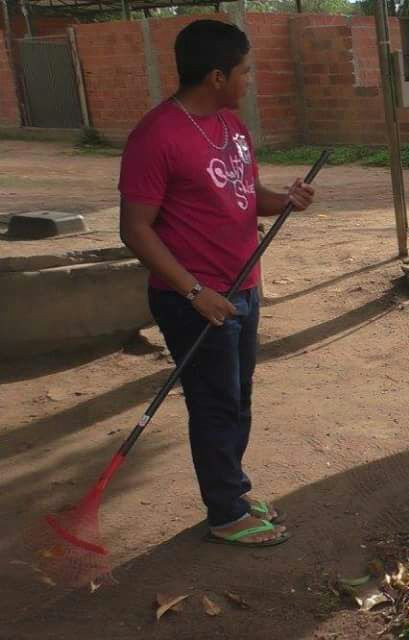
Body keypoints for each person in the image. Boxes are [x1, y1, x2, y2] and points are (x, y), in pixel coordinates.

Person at [118, 20, 315, 547]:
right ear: (216, 76)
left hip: (242, 287)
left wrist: (285, 200)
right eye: (245, 71)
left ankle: (233, 493)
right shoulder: (157, 136)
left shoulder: (232, 126)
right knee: (215, 404)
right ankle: (226, 514)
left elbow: (246, 196)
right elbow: (134, 229)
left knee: (237, 398)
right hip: (193, 299)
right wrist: (194, 293)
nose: (251, 80)